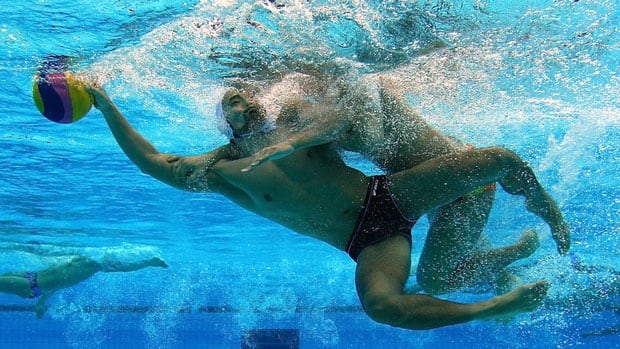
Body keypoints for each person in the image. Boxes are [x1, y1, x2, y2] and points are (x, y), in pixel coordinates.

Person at [86, 82, 569, 330]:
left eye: (249, 97)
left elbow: (343, 116)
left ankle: (544, 206)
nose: (245, 103)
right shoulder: (220, 170)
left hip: (386, 194)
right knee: (383, 307)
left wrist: (297, 139)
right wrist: (108, 107)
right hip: (366, 240)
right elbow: (153, 163)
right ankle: (493, 307)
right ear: (222, 118)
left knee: (497, 160)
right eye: (233, 100)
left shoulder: (294, 124)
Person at [240, 71, 571, 294]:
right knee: (450, 262)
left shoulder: (356, 91)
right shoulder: (304, 110)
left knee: (435, 282)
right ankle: (501, 272)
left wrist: (295, 142)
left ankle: (521, 246)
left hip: (463, 190)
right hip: (435, 185)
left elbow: (349, 122)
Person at [0, 254, 168, 318]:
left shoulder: (97, 265)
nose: (112, 261)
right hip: (31, 277)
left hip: (31, 286)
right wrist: (41, 302)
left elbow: (124, 268)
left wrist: (148, 262)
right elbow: (57, 284)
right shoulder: (83, 257)